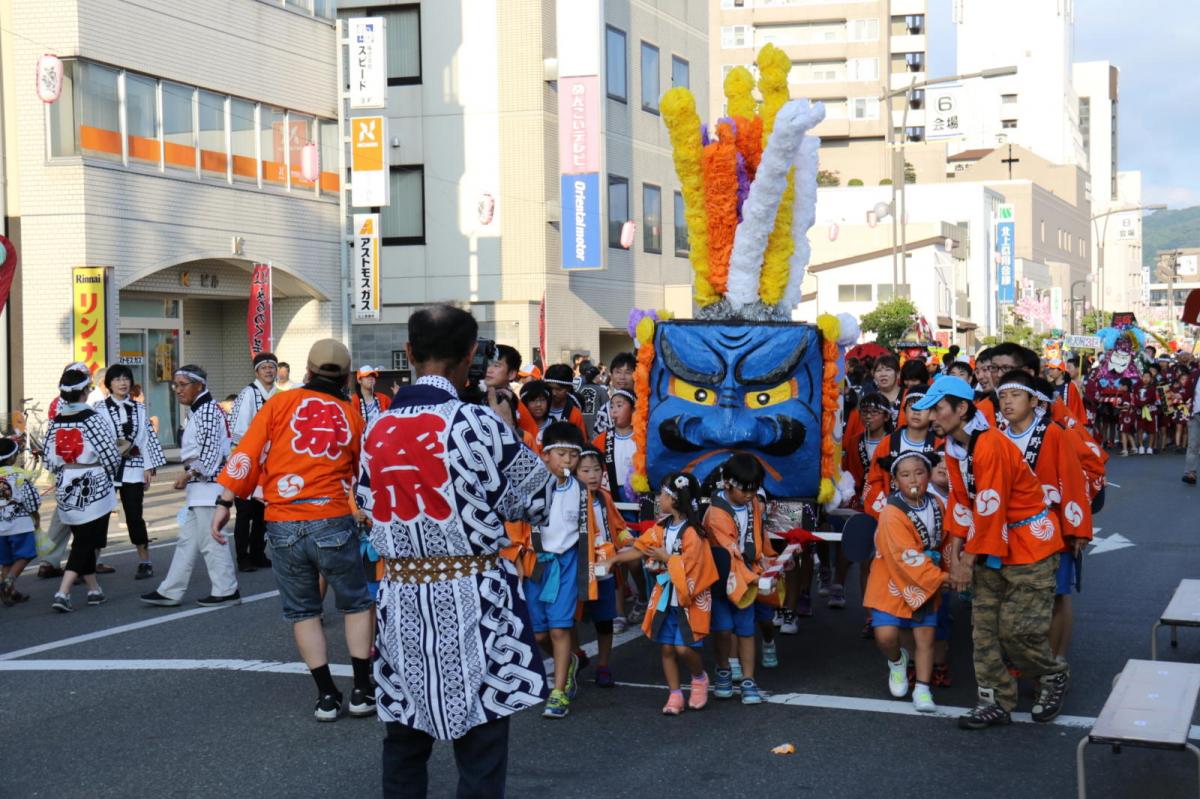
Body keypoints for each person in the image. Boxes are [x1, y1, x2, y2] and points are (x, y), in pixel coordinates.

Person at [357, 305, 555, 798]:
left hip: (402, 597)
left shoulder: (376, 430)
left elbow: (364, 500)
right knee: (481, 747)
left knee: (403, 742)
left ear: (408, 354)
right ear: (471, 355)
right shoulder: (476, 423)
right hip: (475, 593)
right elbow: (537, 498)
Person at [214, 339, 374, 721]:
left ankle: (325, 697)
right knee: (356, 603)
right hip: (332, 517)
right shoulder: (351, 415)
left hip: (284, 521)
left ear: (307, 369)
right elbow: (360, 472)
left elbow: (247, 453)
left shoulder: (279, 404)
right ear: (348, 377)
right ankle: (362, 690)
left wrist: (224, 503)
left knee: (303, 611)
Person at [916, 376, 1070, 730]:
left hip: (1028, 546)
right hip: (988, 543)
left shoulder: (990, 446)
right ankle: (994, 699)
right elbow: (960, 502)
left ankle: (1052, 675)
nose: (931, 418)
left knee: (1019, 631)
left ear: (962, 408)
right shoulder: (954, 448)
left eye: (937, 410)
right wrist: (954, 555)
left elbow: (990, 508)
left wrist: (965, 562)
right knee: (983, 630)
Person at [996, 371, 1093, 662]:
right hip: (1011, 531)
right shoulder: (996, 437)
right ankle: (1028, 660)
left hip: (1052, 530)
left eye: (1014, 395)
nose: (1007, 402)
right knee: (1014, 598)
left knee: (1055, 596)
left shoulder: (1053, 433)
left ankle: (1055, 659)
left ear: (1033, 400)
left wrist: (1076, 530)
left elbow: (1073, 480)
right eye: (1002, 396)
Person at [608, 472, 718, 715]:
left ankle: (699, 677)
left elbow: (695, 568)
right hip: (666, 597)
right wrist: (614, 559)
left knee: (684, 648)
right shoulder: (661, 528)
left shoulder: (693, 533)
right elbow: (639, 548)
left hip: (688, 598)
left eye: (662, 494)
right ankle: (675, 693)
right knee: (667, 647)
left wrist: (666, 558)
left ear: (675, 500)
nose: (658, 498)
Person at [140, 365, 240, 609]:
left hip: (209, 486)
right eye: (175, 385)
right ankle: (171, 590)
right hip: (202, 487)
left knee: (211, 540)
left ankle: (226, 590)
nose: (177, 390)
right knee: (188, 542)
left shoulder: (206, 411)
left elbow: (210, 453)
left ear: (200, 385)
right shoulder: (201, 410)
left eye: (183, 384)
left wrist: (189, 474)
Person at [863, 451, 950, 712]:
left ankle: (923, 690)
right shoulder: (891, 512)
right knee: (886, 635)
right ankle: (896, 661)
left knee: (926, 638)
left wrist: (953, 568)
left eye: (920, 472)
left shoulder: (937, 503)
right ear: (895, 481)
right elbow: (903, 554)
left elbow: (946, 541)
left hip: (925, 575)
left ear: (929, 476)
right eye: (905, 474)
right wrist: (942, 578)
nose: (914, 479)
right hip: (892, 575)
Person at [45, 363, 122, 612]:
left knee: (83, 538)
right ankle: (63, 592)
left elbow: (49, 458)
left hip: (67, 483)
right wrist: (108, 475)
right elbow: (110, 454)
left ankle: (93, 589)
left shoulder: (56, 421)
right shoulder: (93, 418)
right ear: (85, 391)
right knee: (86, 540)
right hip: (94, 483)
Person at [524, 421, 586, 720]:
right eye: (560, 454)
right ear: (545, 455)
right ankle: (569, 661)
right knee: (538, 635)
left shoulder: (582, 491)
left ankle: (558, 690)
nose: (567, 461)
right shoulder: (530, 485)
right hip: (536, 564)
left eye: (573, 456)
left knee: (560, 627)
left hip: (566, 562)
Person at [704, 453, 774, 705]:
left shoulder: (752, 502)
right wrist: (755, 577)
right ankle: (722, 669)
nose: (749, 495)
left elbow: (758, 534)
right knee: (723, 630)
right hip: (723, 578)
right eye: (744, 490)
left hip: (747, 575)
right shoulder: (715, 515)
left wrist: (767, 558)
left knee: (745, 630)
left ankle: (748, 679)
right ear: (727, 484)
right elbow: (730, 551)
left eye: (754, 490)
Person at [94, 363, 167, 579]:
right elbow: (96, 439)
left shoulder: (139, 408)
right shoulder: (98, 408)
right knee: (100, 515)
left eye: (126, 378)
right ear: (108, 384)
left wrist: (148, 466)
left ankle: (145, 561)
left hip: (133, 467)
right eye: (117, 379)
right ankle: (91, 561)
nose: (123, 382)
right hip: (107, 469)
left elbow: (146, 438)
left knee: (135, 515)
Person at [574, 447, 634, 688]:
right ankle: (576, 655)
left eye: (597, 469)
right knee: (570, 620)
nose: (593, 476)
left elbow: (618, 526)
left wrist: (628, 541)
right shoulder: (569, 498)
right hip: (578, 568)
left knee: (604, 621)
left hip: (604, 569)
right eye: (586, 470)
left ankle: (603, 665)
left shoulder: (604, 497)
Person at [229, 352, 280, 572]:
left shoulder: (279, 395)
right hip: (249, 459)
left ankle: (258, 552)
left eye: (272, 367)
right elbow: (238, 429)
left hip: (271, 463)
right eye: (264, 367)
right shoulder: (249, 393)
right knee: (245, 512)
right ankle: (243, 556)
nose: (269, 370)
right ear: (256, 371)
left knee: (262, 512)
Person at [0, 438, 41, 605]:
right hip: (19, 523)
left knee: (7, 560)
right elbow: (31, 500)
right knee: (26, 554)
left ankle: (10, 593)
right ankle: (7, 582)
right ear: (12, 457)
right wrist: (36, 516)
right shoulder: (20, 474)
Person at [591, 389, 637, 502]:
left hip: (636, 493)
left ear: (633, 409)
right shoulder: (601, 439)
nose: (614, 411)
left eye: (619, 405)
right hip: (609, 493)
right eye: (611, 407)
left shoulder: (642, 438)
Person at [592, 352, 636, 436]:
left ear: (637, 375)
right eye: (618, 372)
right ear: (611, 376)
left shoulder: (645, 405)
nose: (622, 377)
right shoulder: (604, 411)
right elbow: (598, 443)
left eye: (628, 372)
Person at [541, 363, 588, 437]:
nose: (554, 393)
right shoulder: (538, 409)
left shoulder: (575, 414)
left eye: (558, 389)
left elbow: (582, 441)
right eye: (550, 388)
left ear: (568, 388)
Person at [518, 380, 553, 451]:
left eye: (542, 400)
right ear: (525, 403)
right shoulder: (519, 427)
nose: (538, 404)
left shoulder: (556, 426)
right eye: (533, 400)